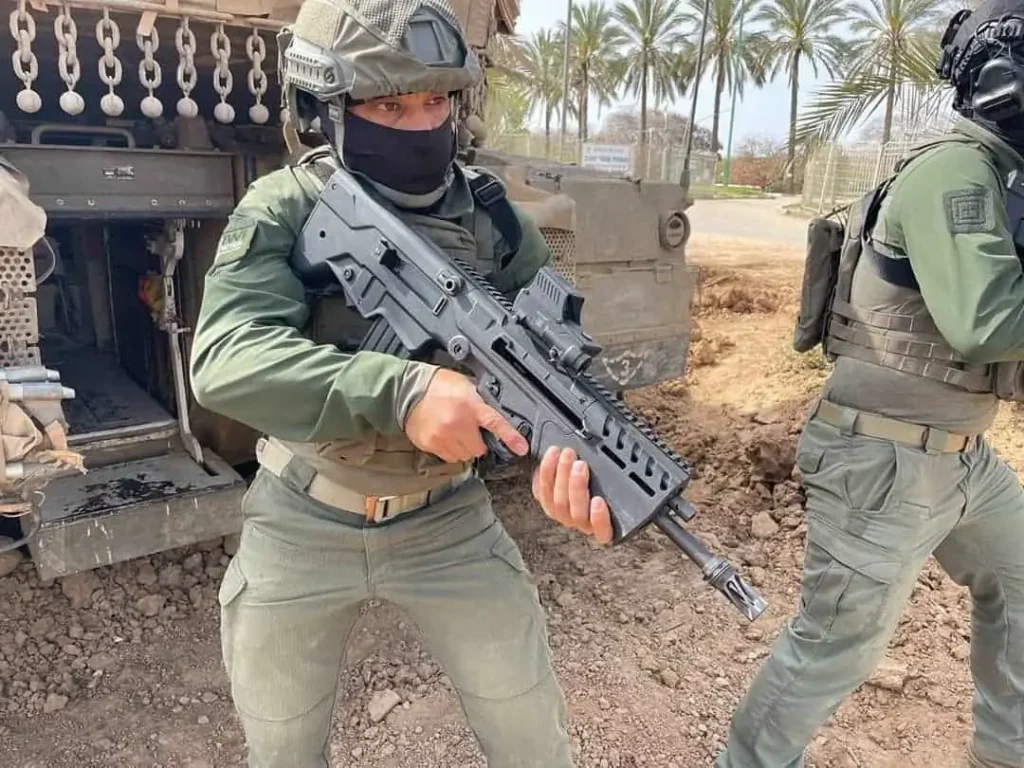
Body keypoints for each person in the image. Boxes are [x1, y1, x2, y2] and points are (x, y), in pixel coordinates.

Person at [187, 1, 611, 766]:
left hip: (448, 519)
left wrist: (574, 465)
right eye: (389, 105)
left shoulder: (494, 219)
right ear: (328, 108)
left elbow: (572, 366)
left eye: (435, 102)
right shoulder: (287, 207)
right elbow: (225, 357)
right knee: (282, 748)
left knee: (532, 735)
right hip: (302, 515)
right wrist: (402, 392)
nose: (420, 126)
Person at [716, 2, 1024, 767]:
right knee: (837, 649)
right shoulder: (956, 171)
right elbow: (987, 322)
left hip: (959, 458)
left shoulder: (997, 177)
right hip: (883, 461)